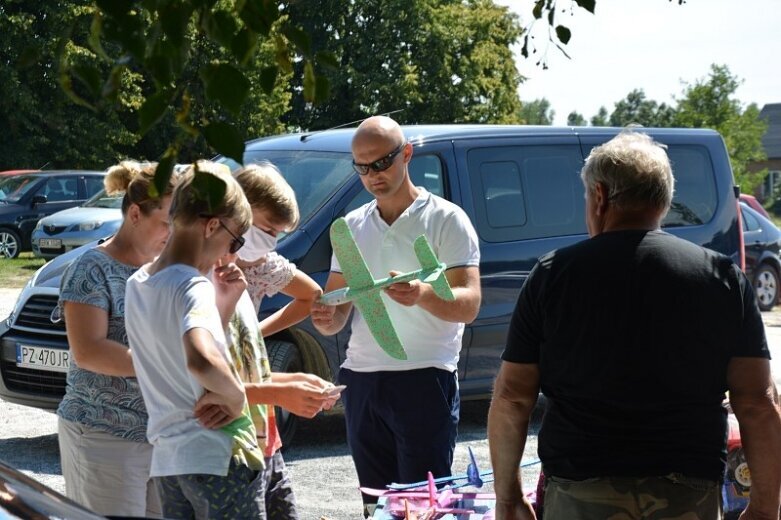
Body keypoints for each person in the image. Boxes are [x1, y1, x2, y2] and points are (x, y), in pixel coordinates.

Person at [487, 131, 781, 520]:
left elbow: (513, 398)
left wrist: (508, 497)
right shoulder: (722, 278)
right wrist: (764, 506)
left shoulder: (552, 275)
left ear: (600, 197)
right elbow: (757, 402)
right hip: (687, 492)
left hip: (581, 490)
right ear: (663, 200)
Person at [311, 115, 482, 517]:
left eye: (381, 163)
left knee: (422, 507)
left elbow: (470, 303)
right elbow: (338, 311)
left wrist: (423, 294)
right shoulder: (350, 227)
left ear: (406, 154)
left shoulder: (446, 218)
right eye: (361, 167)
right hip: (362, 380)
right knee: (376, 507)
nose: (372, 175)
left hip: (425, 377)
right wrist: (326, 318)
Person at [124, 161, 266, 519]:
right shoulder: (192, 285)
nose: (227, 253)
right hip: (218, 456)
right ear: (213, 225)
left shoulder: (138, 284)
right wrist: (236, 397)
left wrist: (225, 304)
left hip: (170, 464)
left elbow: (174, 348)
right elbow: (199, 359)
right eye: (234, 241)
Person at [208, 162, 335, 518]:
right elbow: (199, 382)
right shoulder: (201, 278)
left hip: (261, 434)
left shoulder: (260, 267)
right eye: (265, 229)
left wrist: (259, 336)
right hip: (227, 444)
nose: (270, 242)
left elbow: (312, 295)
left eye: (278, 234)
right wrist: (284, 390)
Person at [57, 160, 179, 517]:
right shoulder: (91, 268)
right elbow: (89, 351)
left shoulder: (169, 270)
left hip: (162, 437)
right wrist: (173, 366)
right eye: (167, 222)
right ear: (136, 214)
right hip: (102, 434)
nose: (172, 233)